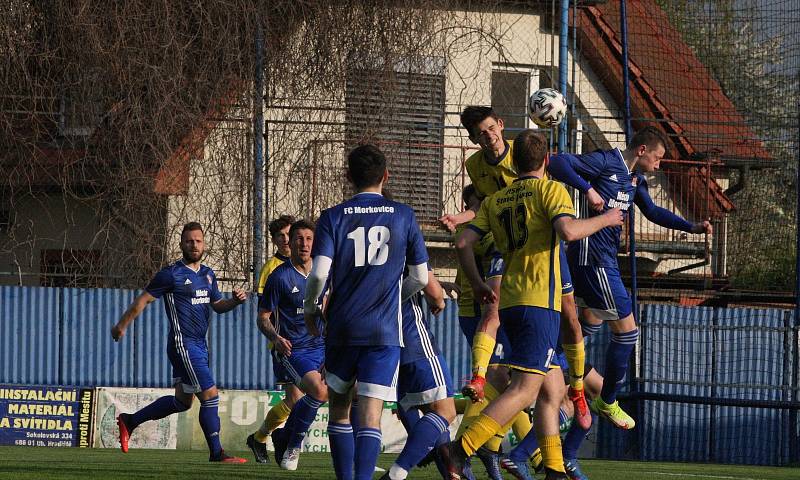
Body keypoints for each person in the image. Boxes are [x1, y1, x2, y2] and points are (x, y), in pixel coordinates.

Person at [452, 130, 624, 480]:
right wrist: (607, 219)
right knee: (525, 389)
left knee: (551, 388)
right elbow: (569, 231)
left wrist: (477, 283)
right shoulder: (550, 190)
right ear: (547, 161)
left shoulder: (496, 199)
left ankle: (555, 469)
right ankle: (460, 449)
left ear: (513, 162)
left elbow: (462, 243)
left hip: (510, 302)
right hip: (537, 302)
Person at [548, 126, 712, 429]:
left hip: (602, 262)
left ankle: (546, 369)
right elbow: (556, 163)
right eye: (658, 157)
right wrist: (588, 189)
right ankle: (607, 400)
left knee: (587, 326)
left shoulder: (634, 180)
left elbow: (651, 211)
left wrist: (691, 227)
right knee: (627, 333)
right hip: (591, 261)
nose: (659, 164)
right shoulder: (606, 162)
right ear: (641, 150)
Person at [441, 107, 591, 429]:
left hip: (541, 246)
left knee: (571, 318)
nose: (489, 136)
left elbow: (554, 189)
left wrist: (590, 191)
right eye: (481, 133)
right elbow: (480, 207)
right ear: (473, 138)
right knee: (493, 311)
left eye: (491, 128)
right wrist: (462, 217)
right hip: (504, 243)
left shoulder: (524, 156)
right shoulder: (475, 166)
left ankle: (577, 389)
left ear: (501, 125)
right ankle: (479, 377)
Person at [303, 144, 430, 480]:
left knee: (340, 408)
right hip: (384, 330)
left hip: (342, 327)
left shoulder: (332, 217)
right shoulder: (404, 215)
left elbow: (318, 274)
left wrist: (311, 309)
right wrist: (392, 297)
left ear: (348, 177)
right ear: (385, 176)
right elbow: (420, 277)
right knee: (371, 413)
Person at [111, 222, 248, 463]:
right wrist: (121, 326)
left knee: (182, 402)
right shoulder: (171, 274)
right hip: (183, 344)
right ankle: (217, 453)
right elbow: (142, 301)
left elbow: (217, 306)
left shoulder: (207, 274)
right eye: (189, 241)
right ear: (181, 244)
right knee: (210, 395)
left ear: (204, 244)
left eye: (198, 241)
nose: (194, 245)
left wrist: (234, 302)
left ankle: (130, 421)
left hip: (199, 345)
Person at [247, 219, 327, 471]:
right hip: (294, 350)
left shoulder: (325, 272)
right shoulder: (278, 276)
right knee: (315, 392)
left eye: (309, 239)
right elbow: (262, 318)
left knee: (352, 392)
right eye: (299, 239)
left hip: (325, 347)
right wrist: (276, 339)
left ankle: (278, 436)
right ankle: (292, 444)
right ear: (290, 243)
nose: (304, 244)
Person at [381, 269, 456, 480]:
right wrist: (438, 297)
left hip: (386, 347)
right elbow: (430, 287)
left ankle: (455, 473)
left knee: (433, 421)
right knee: (445, 411)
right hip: (415, 343)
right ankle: (397, 472)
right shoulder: (408, 238)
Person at [250, 214, 302, 460]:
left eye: (288, 234)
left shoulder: (308, 263)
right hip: (285, 344)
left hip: (310, 344)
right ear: (273, 240)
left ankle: (262, 438)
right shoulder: (271, 270)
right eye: (279, 236)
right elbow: (264, 313)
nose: (285, 240)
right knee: (296, 398)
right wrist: (277, 338)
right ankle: (270, 439)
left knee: (304, 398)